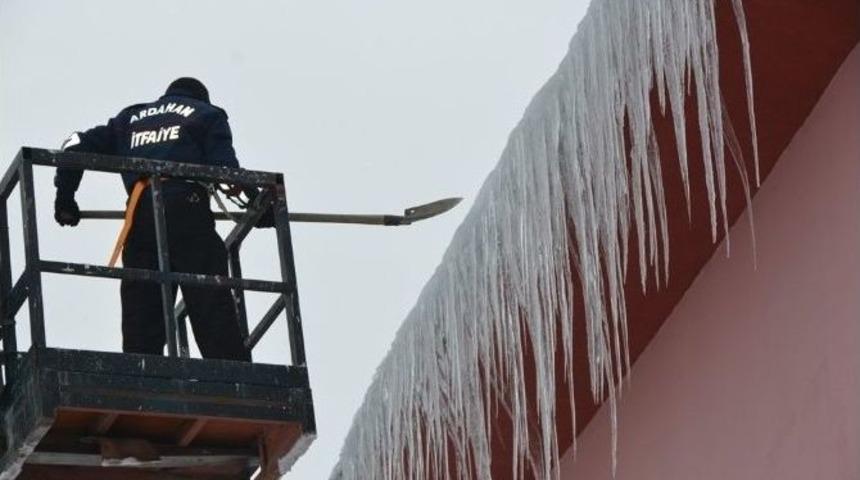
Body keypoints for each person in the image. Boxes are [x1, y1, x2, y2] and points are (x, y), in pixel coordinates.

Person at [53, 77, 269, 362]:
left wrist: (65, 196)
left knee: (142, 304)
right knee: (208, 296)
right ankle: (233, 373)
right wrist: (258, 207)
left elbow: (74, 144)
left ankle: (140, 374)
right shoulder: (207, 114)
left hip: (140, 215)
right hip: (186, 210)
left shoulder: (128, 119)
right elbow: (226, 171)